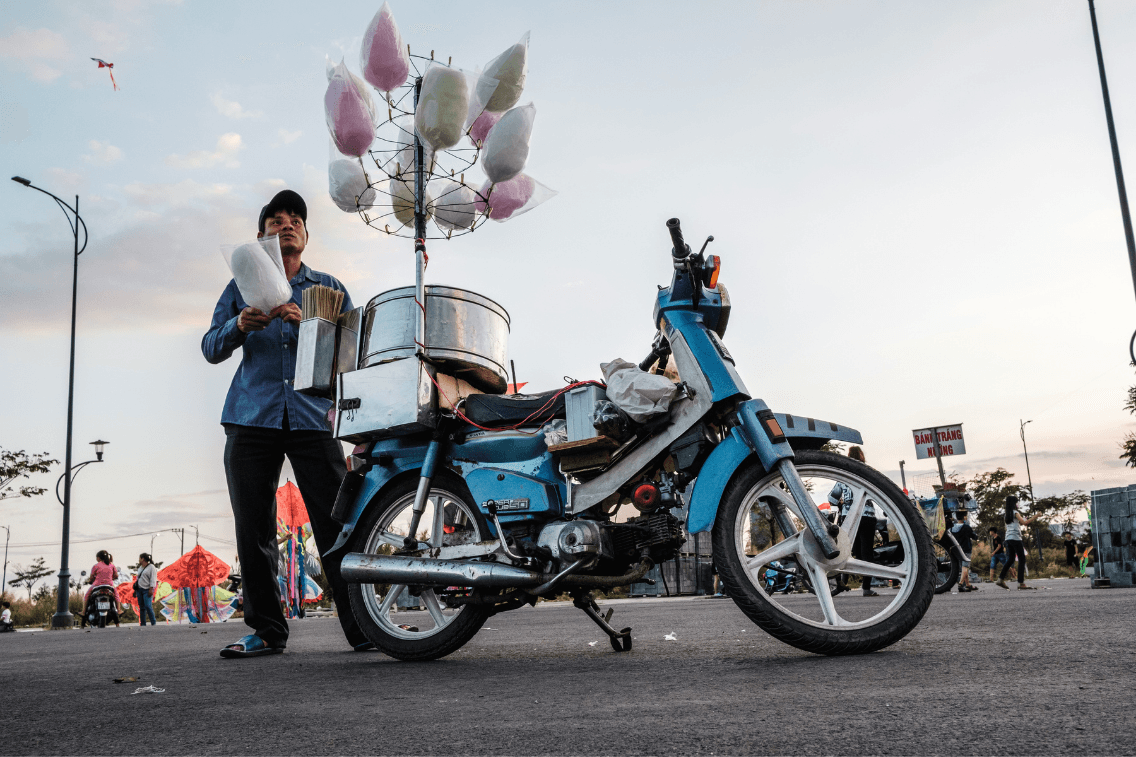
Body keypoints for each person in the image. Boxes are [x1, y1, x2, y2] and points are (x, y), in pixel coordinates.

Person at [202, 189, 367, 658]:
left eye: (295, 218)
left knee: (338, 524)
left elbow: (351, 354)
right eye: (275, 219)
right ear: (261, 236)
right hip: (251, 417)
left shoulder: (328, 289)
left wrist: (309, 324)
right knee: (253, 527)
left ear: (306, 235)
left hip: (315, 418)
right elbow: (211, 347)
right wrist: (239, 326)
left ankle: (362, 627)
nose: (286, 224)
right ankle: (266, 631)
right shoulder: (239, 286)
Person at [829, 446, 879, 596]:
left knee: (847, 551)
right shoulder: (868, 472)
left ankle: (842, 582)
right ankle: (867, 588)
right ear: (862, 456)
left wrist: (842, 504)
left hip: (848, 518)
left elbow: (831, 498)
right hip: (867, 516)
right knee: (867, 552)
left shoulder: (844, 475)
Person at [997, 495, 1038, 590]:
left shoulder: (1006, 515)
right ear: (1014, 503)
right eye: (1017, 502)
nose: (1017, 504)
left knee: (1010, 560)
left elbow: (1016, 524)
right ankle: (1021, 583)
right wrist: (1036, 516)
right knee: (1022, 559)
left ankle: (1000, 579)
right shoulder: (1015, 512)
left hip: (1008, 539)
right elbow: (1025, 523)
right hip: (1016, 538)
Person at [86, 550, 122, 618]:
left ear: (98, 558)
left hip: (97, 585)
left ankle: (83, 611)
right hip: (109, 585)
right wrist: (111, 578)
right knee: (116, 596)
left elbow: (91, 578)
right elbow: (116, 576)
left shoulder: (96, 566)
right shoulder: (111, 565)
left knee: (87, 595)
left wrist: (90, 581)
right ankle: (119, 610)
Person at [950, 511, 981, 592]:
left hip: (956, 550)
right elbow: (974, 536)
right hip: (966, 549)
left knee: (963, 568)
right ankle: (960, 584)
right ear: (964, 517)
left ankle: (968, 585)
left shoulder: (952, 528)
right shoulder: (966, 527)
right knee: (965, 567)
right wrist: (977, 539)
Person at [134, 553, 158, 627]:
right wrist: (135, 590)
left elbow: (153, 579)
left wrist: (151, 588)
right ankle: (143, 623)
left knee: (148, 606)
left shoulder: (151, 567)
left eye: (139, 558)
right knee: (142, 607)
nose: (139, 560)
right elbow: (139, 579)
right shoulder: (140, 568)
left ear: (143, 559)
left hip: (147, 589)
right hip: (139, 589)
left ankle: (153, 622)